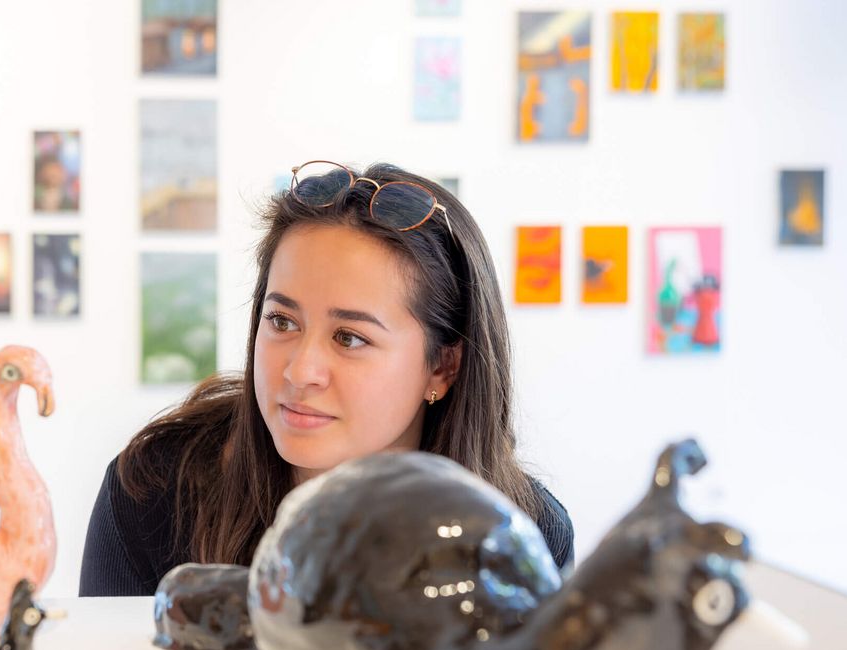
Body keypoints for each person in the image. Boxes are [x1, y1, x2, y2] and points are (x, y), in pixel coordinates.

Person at [80, 161, 574, 597]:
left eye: (349, 338)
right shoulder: (153, 490)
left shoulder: (528, 535)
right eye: (282, 322)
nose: (299, 371)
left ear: (443, 366)